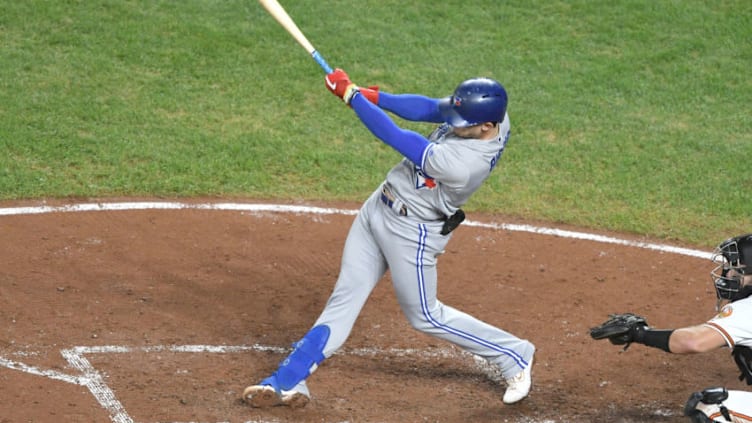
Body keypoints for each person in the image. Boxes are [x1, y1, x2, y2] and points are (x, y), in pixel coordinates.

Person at [242, 69, 536, 409]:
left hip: (413, 233)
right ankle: (287, 382)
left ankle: (513, 353)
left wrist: (351, 98)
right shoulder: (489, 114)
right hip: (377, 209)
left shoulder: (464, 164)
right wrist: (370, 95)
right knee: (345, 297)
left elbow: (397, 137)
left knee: (425, 314)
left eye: (461, 121)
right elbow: (428, 108)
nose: (453, 123)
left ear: (486, 127)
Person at [591, 233, 752, 422]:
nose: (728, 275)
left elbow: (692, 342)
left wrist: (639, 333)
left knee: (712, 407)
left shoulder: (746, 310)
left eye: (737, 270)